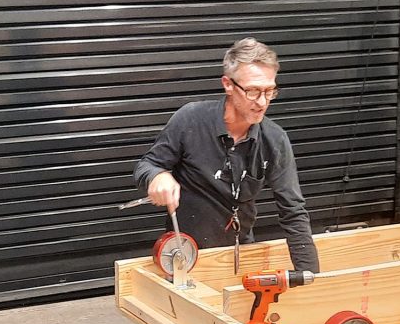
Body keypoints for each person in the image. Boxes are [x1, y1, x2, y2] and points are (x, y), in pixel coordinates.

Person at [133, 37, 320, 272]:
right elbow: (146, 165)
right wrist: (157, 176)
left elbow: (293, 211)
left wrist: (311, 276)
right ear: (228, 84)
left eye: (269, 91)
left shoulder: (275, 140)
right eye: (252, 91)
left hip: (239, 253)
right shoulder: (190, 119)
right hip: (185, 255)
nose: (262, 102)